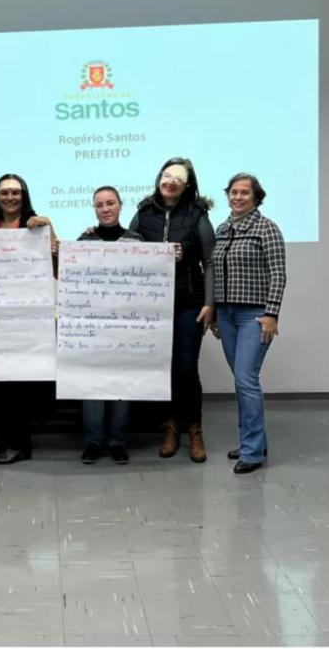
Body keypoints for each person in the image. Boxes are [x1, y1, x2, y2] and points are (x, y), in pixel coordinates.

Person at [128, 157, 216, 463]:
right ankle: (171, 426)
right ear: (159, 178)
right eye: (167, 175)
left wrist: (209, 303)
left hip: (189, 302)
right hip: (152, 305)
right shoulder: (143, 211)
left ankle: (194, 428)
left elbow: (210, 261)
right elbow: (127, 249)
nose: (171, 181)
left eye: (178, 177)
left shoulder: (197, 214)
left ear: (187, 184)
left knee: (185, 367)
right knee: (162, 369)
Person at [207, 173, 286, 475]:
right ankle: (254, 441)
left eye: (244, 193)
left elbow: (279, 274)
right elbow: (215, 271)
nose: (238, 197)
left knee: (246, 379)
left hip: (254, 315)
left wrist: (272, 314)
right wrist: (213, 311)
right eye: (234, 192)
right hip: (226, 315)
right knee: (242, 382)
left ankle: (252, 453)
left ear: (256, 197)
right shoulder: (223, 228)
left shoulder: (267, 228)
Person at [0, 173, 58, 465]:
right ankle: (3, 438)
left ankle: (20, 445)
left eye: (15, 192)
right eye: (4, 193)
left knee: (18, 386)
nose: (10, 198)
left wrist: (52, 243)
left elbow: (57, 265)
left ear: (24, 196)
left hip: (28, 322)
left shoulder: (38, 226)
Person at [76, 186, 142, 465]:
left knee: (120, 384)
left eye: (110, 203)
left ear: (120, 206)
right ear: (94, 209)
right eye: (99, 205)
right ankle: (93, 442)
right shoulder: (84, 241)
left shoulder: (137, 241)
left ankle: (117, 442)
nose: (105, 209)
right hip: (91, 327)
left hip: (125, 327)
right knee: (92, 384)